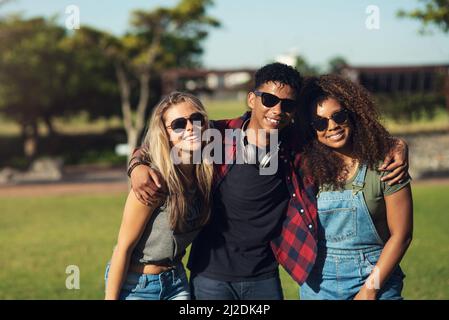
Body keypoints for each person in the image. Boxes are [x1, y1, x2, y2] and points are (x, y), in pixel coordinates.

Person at [127, 63, 409, 300]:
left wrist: (394, 144)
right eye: (269, 100)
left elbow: (345, 135)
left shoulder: (296, 147)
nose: (277, 109)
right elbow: (165, 144)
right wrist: (138, 165)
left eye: (287, 104)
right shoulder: (219, 136)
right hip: (210, 275)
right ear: (252, 99)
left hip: (264, 276)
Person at [297, 75, 413, 300]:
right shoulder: (306, 169)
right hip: (319, 286)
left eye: (338, 116)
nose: (332, 126)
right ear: (311, 129)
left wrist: (371, 289)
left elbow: (402, 236)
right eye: (320, 122)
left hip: (376, 279)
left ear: (354, 114)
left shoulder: (387, 164)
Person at [104, 92, 214, 300]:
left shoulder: (205, 177)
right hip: (137, 285)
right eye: (179, 124)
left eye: (197, 119)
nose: (191, 127)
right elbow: (122, 249)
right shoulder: (153, 182)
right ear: (166, 134)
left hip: (176, 281)